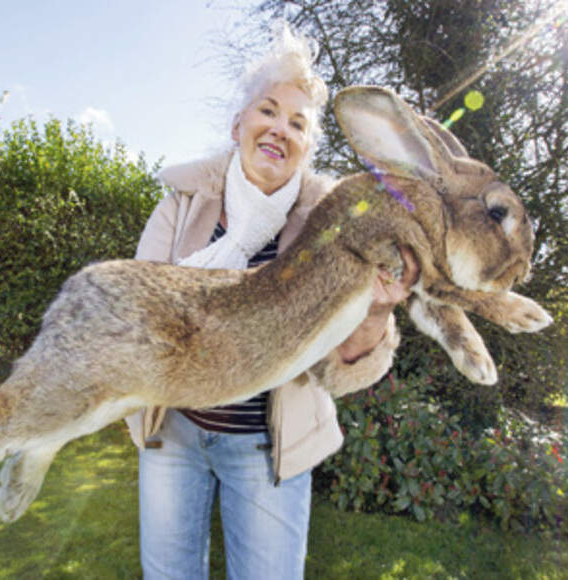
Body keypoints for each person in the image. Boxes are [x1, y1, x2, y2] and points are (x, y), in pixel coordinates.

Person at [124, 25, 418, 579]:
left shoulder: (332, 230)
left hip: (268, 446)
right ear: (239, 124)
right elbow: (140, 317)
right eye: (269, 111)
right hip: (175, 434)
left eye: (298, 124)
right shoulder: (181, 207)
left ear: (307, 149)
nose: (280, 129)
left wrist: (376, 309)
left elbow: (336, 368)